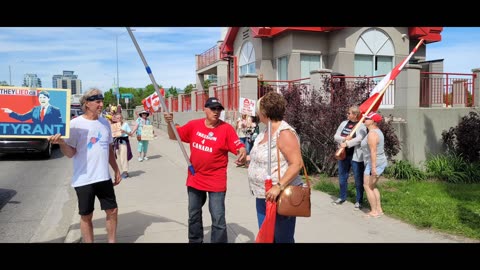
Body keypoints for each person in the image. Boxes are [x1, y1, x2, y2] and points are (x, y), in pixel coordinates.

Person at [163, 97, 247, 243]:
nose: (217, 112)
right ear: (205, 109)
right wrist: (169, 123)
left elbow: (239, 146)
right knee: (194, 215)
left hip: (216, 180)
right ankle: (195, 240)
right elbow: (173, 135)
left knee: (218, 218)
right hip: (195, 178)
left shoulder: (226, 129)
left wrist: (242, 152)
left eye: (219, 109)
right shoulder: (194, 125)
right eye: (213, 108)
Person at [48, 88, 122, 243]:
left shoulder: (105, 123)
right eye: (98, 101)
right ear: (87, 103)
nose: (102, 105)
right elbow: (70, 153)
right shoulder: (75, 124)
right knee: (86, 216)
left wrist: (116, 169)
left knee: (113, 210)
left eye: (102, 101)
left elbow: (108, 149)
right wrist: (61, 143)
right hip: (84, 179)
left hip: (103, 177)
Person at [247, 91, 304, 243]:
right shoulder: (265, 130)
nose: (257, 112)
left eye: (259, 108)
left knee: (282, 238)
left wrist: (278, 186)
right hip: (262, 194)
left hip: (280, 196)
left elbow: (296, 163)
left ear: (264, 111)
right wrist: (247, 158)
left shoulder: (284, 133)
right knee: (267, 237)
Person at [333, 105, 367, 209]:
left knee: (358, 179)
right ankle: (342, 197)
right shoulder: (344, 123)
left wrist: (347, 143)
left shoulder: (361, 125)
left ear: (355, 114)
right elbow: (336, 136)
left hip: (356, 156)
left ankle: (359, 200)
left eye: (349, 113)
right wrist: (344, 138)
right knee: (342, 177)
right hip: (343, 154)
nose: (347, 114)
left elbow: (360, 139)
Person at [361, 111, 387, 218]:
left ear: (373, 121)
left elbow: (373, 152)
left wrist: (373, 168)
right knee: (372, 186)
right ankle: (379, 209)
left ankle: (374, 211)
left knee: (367, 186)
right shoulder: (376, 131)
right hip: (379, 161)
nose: (364, 120)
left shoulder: (372, 134)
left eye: (367, 118)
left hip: (374, 162)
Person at [113, 113, 133, 179]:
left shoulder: (125, 124)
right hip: (117, 143)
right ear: (115, 119)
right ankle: (122, 171)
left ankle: (125, 172)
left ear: (122, 118)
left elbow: (130, 134)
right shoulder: (114, 126)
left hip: (123, 142)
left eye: (120, 118)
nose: (119, 119)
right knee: (118, 158)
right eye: (117, 118)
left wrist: (124, 131)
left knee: (123, 157)